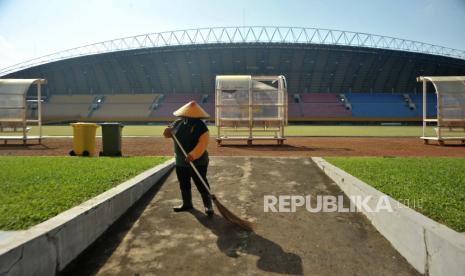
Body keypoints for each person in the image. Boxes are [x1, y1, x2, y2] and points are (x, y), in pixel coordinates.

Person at [163, 100, 214, 216]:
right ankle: (187, 203)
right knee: (183, 182)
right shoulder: (178, 123)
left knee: (201, 182)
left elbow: (203, 143)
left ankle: (208, 205)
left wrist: (193, 155)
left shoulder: (202, 127)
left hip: (198, 161)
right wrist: (167, 132)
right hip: (181, 161)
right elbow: (168, 135)